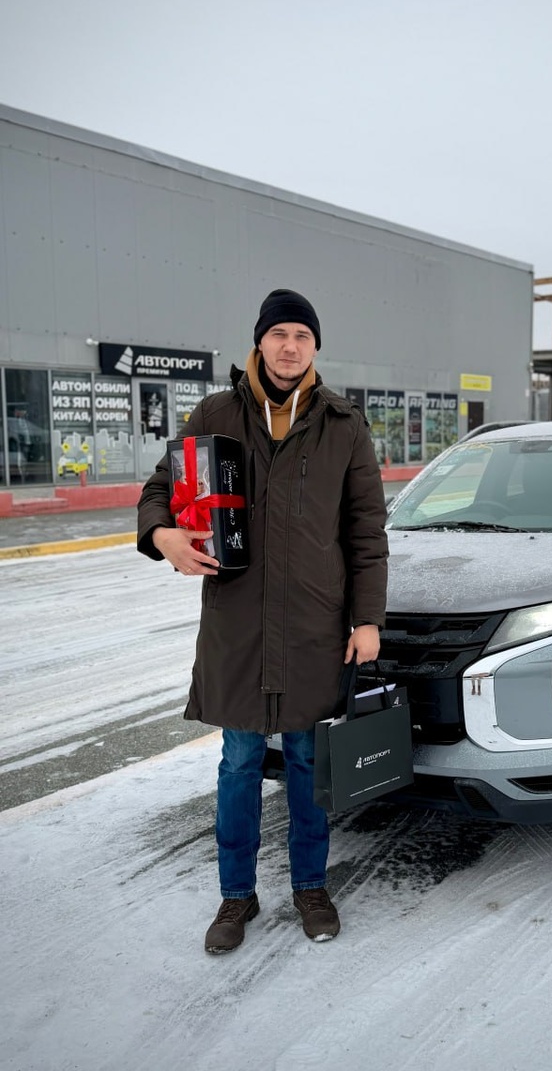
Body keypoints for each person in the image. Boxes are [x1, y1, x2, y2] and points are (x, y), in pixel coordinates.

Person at [137, 288, 388, 954]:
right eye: (279, 334)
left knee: (307, 759)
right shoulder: (216, 414)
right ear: (260, 342)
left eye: (302, 336)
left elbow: (366, 534)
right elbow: (161, 489)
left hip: (313, 626)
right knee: (240, 761)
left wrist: (366, 619)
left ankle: (310, 886)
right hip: (239, 624)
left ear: (315, 347)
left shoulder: (343, 424)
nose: (289, 347)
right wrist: (162, 535)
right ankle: (236, 895)